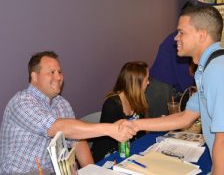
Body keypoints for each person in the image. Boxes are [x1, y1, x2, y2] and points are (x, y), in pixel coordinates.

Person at [130, 5, 224, 174]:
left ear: (201, 35)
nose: (176, 38)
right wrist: (134, 125)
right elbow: (185, 117)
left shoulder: (219, 70)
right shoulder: (211, 66)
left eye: (182, 32)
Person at [0, 51, 137, 174]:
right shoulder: (21, 102)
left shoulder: (62, 103)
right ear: (34, 77)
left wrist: (93, 171)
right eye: (52, 72)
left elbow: (78, 142)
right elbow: (57, 127)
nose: (59, 77)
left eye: (59, 72)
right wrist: (111, 129)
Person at [91, 61, 149, 162]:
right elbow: (106, 142)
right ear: (136, 84)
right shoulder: (112, 105)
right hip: (109, 155)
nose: (148, 82)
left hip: (129, 150)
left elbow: (141, 134)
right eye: (146, 79)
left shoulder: (138, 100)